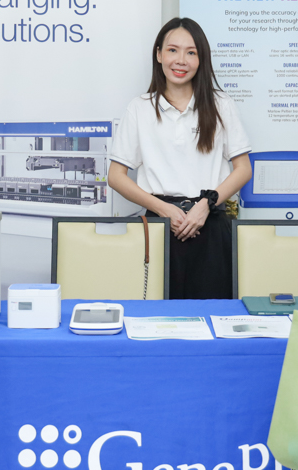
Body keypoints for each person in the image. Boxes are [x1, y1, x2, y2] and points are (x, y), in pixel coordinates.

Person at [107, 17, 252, 299]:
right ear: (159, 54)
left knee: (214, 314)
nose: (181, 60)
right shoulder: (140, 108)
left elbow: (243, 169)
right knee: (158, 314)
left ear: (201, 59)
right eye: (172, 50)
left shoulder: (221, 104)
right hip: (159, 227)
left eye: (191, 52)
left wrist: (205, 205)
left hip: (210, 225)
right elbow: (115, 176)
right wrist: (163, 209)